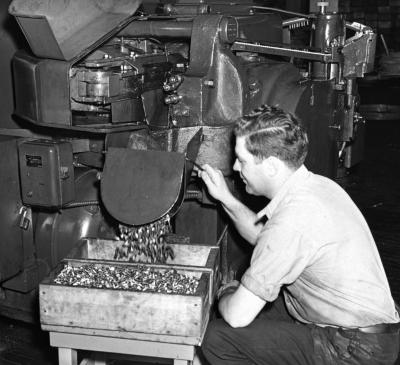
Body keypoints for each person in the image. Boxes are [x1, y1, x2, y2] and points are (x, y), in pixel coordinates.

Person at [199, 105, 400, 365]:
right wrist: (225, 197)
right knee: (260, 301)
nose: (236, 167)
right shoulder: (316, 186)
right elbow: (265, 240)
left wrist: (225, 292)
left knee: (219, 337)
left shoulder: (293, 221)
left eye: (243, 160)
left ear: (271, 166)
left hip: (356, 350)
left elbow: (237, 316)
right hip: (372, 332)